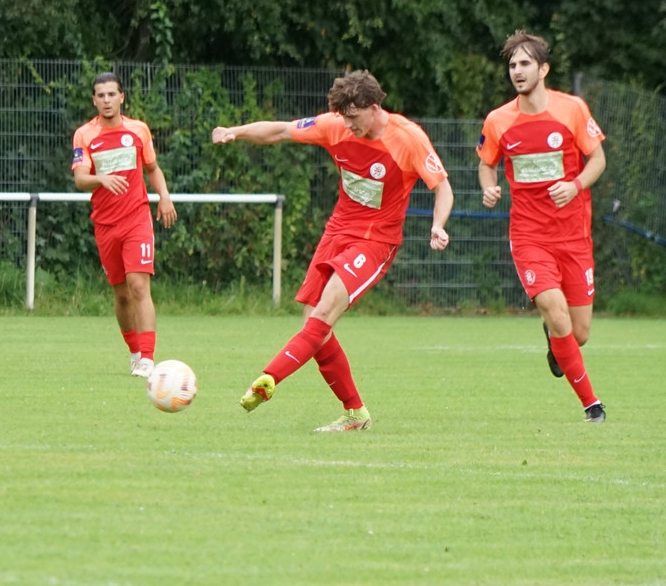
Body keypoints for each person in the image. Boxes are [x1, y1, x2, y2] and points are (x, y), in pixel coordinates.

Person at [212, 70, 453, 432]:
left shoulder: (408, 138)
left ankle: (269, 378)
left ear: (373, 108)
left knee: (322, 314)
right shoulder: (335, 125)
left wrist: (438, 224)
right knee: (314, 324)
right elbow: (279, 130)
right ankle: (355, 414)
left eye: (353, 117)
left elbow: (443, 187)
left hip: (376, 241)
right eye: (343, 117)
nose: (347, 125)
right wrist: (237, 131)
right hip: (337, 232)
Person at [478, 29, 607, 423]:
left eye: (524, 64)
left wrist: (576, 184)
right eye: (512, 65)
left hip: (573, 235)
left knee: (578, 332)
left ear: (543, 69)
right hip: (529, 235)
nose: (517, 71)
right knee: (554, 309)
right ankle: (592, 405)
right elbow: (486, 163)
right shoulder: (499, 120)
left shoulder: (572, 109)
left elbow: (597, 159)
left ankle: (555, 339)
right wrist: (489, 188)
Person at [72, 72, 177, 378]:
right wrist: (99, 179)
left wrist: (165, 197)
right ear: (94, 100)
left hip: (136, 218)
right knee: (120, 294)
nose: (106, 100)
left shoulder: (138, 131)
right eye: (100, 95)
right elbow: (80, 179)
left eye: (111, 94)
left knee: (138, 285)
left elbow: (153, 168)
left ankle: (147, 358)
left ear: (122, 97)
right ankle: (134, 352)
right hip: (105, 224)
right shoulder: (85, 135)